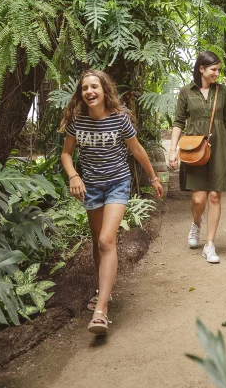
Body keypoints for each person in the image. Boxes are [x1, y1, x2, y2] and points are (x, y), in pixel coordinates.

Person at [60, 69, 164, 334]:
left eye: (94, 86)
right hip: (91, 188)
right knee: (98, 242)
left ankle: (101, 310)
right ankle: (101, 290)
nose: (89, 91)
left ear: (105, 90)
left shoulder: (119, 119)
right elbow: (66, 154)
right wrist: (73, 175)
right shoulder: (77, 121)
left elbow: (137, 149)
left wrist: (153, 179)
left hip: (118, 184)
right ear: (81, 94)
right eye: (85, 88)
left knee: (107, 240)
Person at [168, 51, 226, 264]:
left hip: (219, 148)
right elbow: (179, 122)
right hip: (195, 148)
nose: (217, 73)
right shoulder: (186, 92)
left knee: (215, 196)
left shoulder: (222, 91)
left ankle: (209, 245)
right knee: (198, 199)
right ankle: (196, 223)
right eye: (213, 69)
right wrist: (172, 150)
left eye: (218, 69)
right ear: (201, 69)